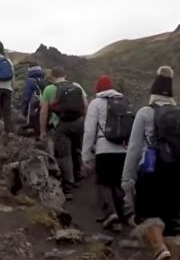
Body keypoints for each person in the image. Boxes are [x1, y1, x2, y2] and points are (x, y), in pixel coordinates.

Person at [122, 66, 180, 260]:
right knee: (173, 217)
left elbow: (135, 148)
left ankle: (159, 249)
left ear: (152, 93)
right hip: (177, 174)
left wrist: (127, 178)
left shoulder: (145, 113)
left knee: (147, 212)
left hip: (151, 169)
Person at [82, 75, 132, 229]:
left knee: (104, 182)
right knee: (118, 182)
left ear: (98, 88)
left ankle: (111, 214)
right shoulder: (124, 102)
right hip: (123, 149)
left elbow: (89, 130)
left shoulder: (96, 103)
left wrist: (85, 154)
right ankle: (124, 215)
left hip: (104, 147)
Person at [39, 67, 88, 197]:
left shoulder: (49, 89)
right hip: (79, 122)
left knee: (64, 155)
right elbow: (85, 105)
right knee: (77, 149)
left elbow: (44, 112)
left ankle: (68, 186)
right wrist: (86, 123)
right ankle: (78, 177)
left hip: (62, 124)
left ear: (53, 77)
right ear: (65, 75)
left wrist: (42, 130)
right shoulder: (76, 86)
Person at [21, 65, 47, 134]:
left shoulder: (30, 80)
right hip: (43, 100)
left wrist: (24, 109)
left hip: (34, 101)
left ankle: (32, 129)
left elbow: (27, 95)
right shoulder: (44, 79)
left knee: (32, 114)